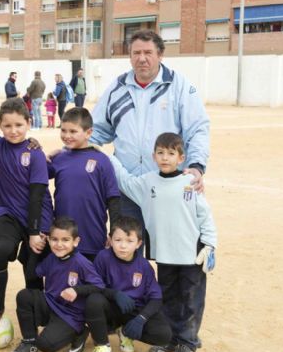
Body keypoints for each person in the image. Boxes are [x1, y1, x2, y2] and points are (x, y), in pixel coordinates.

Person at [109, 132, 217, 352]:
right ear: (153, 156)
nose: (165, 158)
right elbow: (125, 181)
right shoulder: (148, 182)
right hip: (164, 254)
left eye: (171, 153)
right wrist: (110, 156)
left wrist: (209, 244)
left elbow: (204, 216)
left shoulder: (190, 182)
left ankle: (188, 342)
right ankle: (171, 339)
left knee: (190, 299)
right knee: (167, 297)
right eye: (160, 153)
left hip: (191, 254)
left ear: (181, 158)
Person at [90, 29, 210, 233]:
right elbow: (96, 130)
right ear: (130, 57)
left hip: (168, 186)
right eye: (136, 53)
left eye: (148, 53)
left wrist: (196, 166)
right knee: (126, 254)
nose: (142, 59)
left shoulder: (178, 86)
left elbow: (197, 130)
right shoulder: (117, 88)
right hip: (126, 187)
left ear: (160, 55)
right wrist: (70, 151)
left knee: (169, 255)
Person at [0, 98, 54, 326]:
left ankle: (37, 314)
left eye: (19, 125)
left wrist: (35, 232)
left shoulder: (35, 153)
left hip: (39, 219)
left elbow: (36, 195)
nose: (13, 131)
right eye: (7, 126)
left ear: (28, 122)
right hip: (10, 215)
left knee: (33, 266)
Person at [8, 217, 104, 352]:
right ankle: (29, 343)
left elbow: (99, 286)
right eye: (54, 239)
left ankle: (80, 332)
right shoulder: (52, 258)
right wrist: (36, 251)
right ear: (49, 240)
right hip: (50, 304)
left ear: (76, 241)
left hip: (70, 315)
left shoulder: (81, 263)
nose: (59, 245)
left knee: (45, 344)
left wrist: (77, 290)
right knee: (24, 296)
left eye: (65, 240)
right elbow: (32, 275)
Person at [85, 217, 172, 352]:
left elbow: (156, 297)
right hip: (111, 306)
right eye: (118, 240)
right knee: (93, 301)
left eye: (129, 241)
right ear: (110, 240)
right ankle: (102, 345)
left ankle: (125, 332)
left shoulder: (144, 266)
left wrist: (141, 319)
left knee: (163, 335)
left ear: (139, 244)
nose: (123, 246)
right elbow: (93, 286)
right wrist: (115, 294)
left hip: (133, 309)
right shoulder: (103, 257)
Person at [48, 107, 121, 261]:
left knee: (92, 282)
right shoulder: (59, 158)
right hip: (63, 239)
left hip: (92, 237)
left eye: (73, 131)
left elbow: (113, 200)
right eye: (63, 130)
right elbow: (36, 180)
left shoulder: (102, 160)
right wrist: (44, 156)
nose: (67, 136)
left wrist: (113, 233)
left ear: (89, 132)